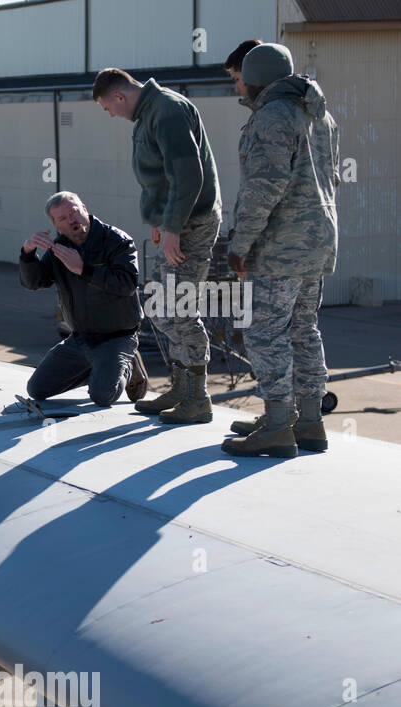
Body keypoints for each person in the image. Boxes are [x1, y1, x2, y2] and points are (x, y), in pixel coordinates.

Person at [222, 43, 339, 458]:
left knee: (264, 332)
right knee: (303, 329)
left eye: (243, 79)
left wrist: (240, 244)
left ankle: (276, 426)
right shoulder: (319, 114)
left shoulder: (271, 115)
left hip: (280, 245)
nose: (241, 87)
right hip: (317, 242)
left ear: (258, 78)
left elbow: (263, 187)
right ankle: (308, 421)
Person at [94, 67, 222, 424]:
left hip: (191, 223)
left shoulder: (165, 109)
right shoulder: (152, 112)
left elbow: (188, 175)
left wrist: (173, 226)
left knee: (178, 308)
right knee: (161, 304)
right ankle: (183, 387)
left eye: (108, 108)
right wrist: (159, 220)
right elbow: (162, 175)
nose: (111, 115)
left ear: (119, 96)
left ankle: (197, 397)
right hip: (176, 221)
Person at [19, 192, 148, 407]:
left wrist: (83, 270)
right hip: (81, 338)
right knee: (37, 389)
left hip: (117, 337)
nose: (71, 220)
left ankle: (128, 363)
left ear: (84, 209)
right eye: (62, 218)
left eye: (74, 212)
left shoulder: (116, 240)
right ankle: (102, 369)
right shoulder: (60, 247)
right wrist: (27, 253)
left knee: (102, 396)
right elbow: (34, 282)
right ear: (56, 226)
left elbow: (127, 284)